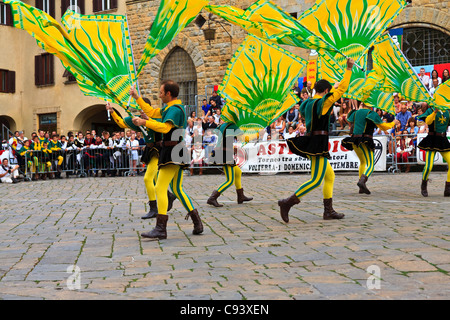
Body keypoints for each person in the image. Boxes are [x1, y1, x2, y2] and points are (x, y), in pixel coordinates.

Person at [279, 58, 354, 223]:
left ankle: (328, 211)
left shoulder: (307, 103)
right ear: (326, 90)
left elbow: (312, 106)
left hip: (312, 138)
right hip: (318, 141)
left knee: (330, 176)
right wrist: (348, 68)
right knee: (316, 180)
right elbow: (341, 89)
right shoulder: (323, 102)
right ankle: (287, 203)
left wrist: (328, 89)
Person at [131, 80, 203, 240]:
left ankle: (160, 228)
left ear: (169, 94)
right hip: (174, 150)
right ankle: (197, 222)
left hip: (173, 150)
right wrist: (137, 97)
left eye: (161, 92)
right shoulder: (170, 108)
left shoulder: (175, 110)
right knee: (177, 189)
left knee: (160, 187)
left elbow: (165, 128)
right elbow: (150, 110)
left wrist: (144, 122)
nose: (160, 94)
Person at [107, 101, 176, 220]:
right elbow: (122, 123)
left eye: (144, 108)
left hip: (160, 151)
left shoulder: (157, 118)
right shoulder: (137, 120)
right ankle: (169, 195)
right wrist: (112, 111)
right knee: (154, 179)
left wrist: (148, 119)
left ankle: (154, 208)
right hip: (150, 151)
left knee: (148, 178)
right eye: (140, 109)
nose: (142, 111)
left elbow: (163, 128)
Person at [342, 104, 395, 194]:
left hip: (354, 140)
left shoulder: (355, 112)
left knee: (362, 162)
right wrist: (394, 122)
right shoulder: (371, 113)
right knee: (371, 165)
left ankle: (361, 187)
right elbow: (383, 127)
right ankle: (362, 181)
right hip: (365, 140)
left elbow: (348, 120)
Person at [206, 122, 253, 207]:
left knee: (238, 172)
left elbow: (217, 132)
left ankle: (240, 196)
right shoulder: (232, 125)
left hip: (224, 152)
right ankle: (212, 198)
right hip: (225, 153)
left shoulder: (223, 125)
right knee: (230, 181)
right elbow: (242, 137)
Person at [417, 107, 450, 197]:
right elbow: (427, 121)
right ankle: (424, 184)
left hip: (442, 139)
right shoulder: (430, 110)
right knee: (428, 166)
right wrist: (435, 112)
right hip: (432, 139)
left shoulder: (447, 111)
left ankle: (448, 187)